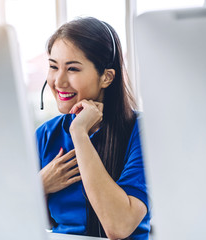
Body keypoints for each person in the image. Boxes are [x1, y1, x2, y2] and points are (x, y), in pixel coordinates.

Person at [36, 17, 150, 240]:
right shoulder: (45, 135)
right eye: (53, 66)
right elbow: (21, 220)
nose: (59, 81)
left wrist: (79, 133)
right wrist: (39, 185)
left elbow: (119, 225)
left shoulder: (142, 131)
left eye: (73, 69)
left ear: (106, 77)